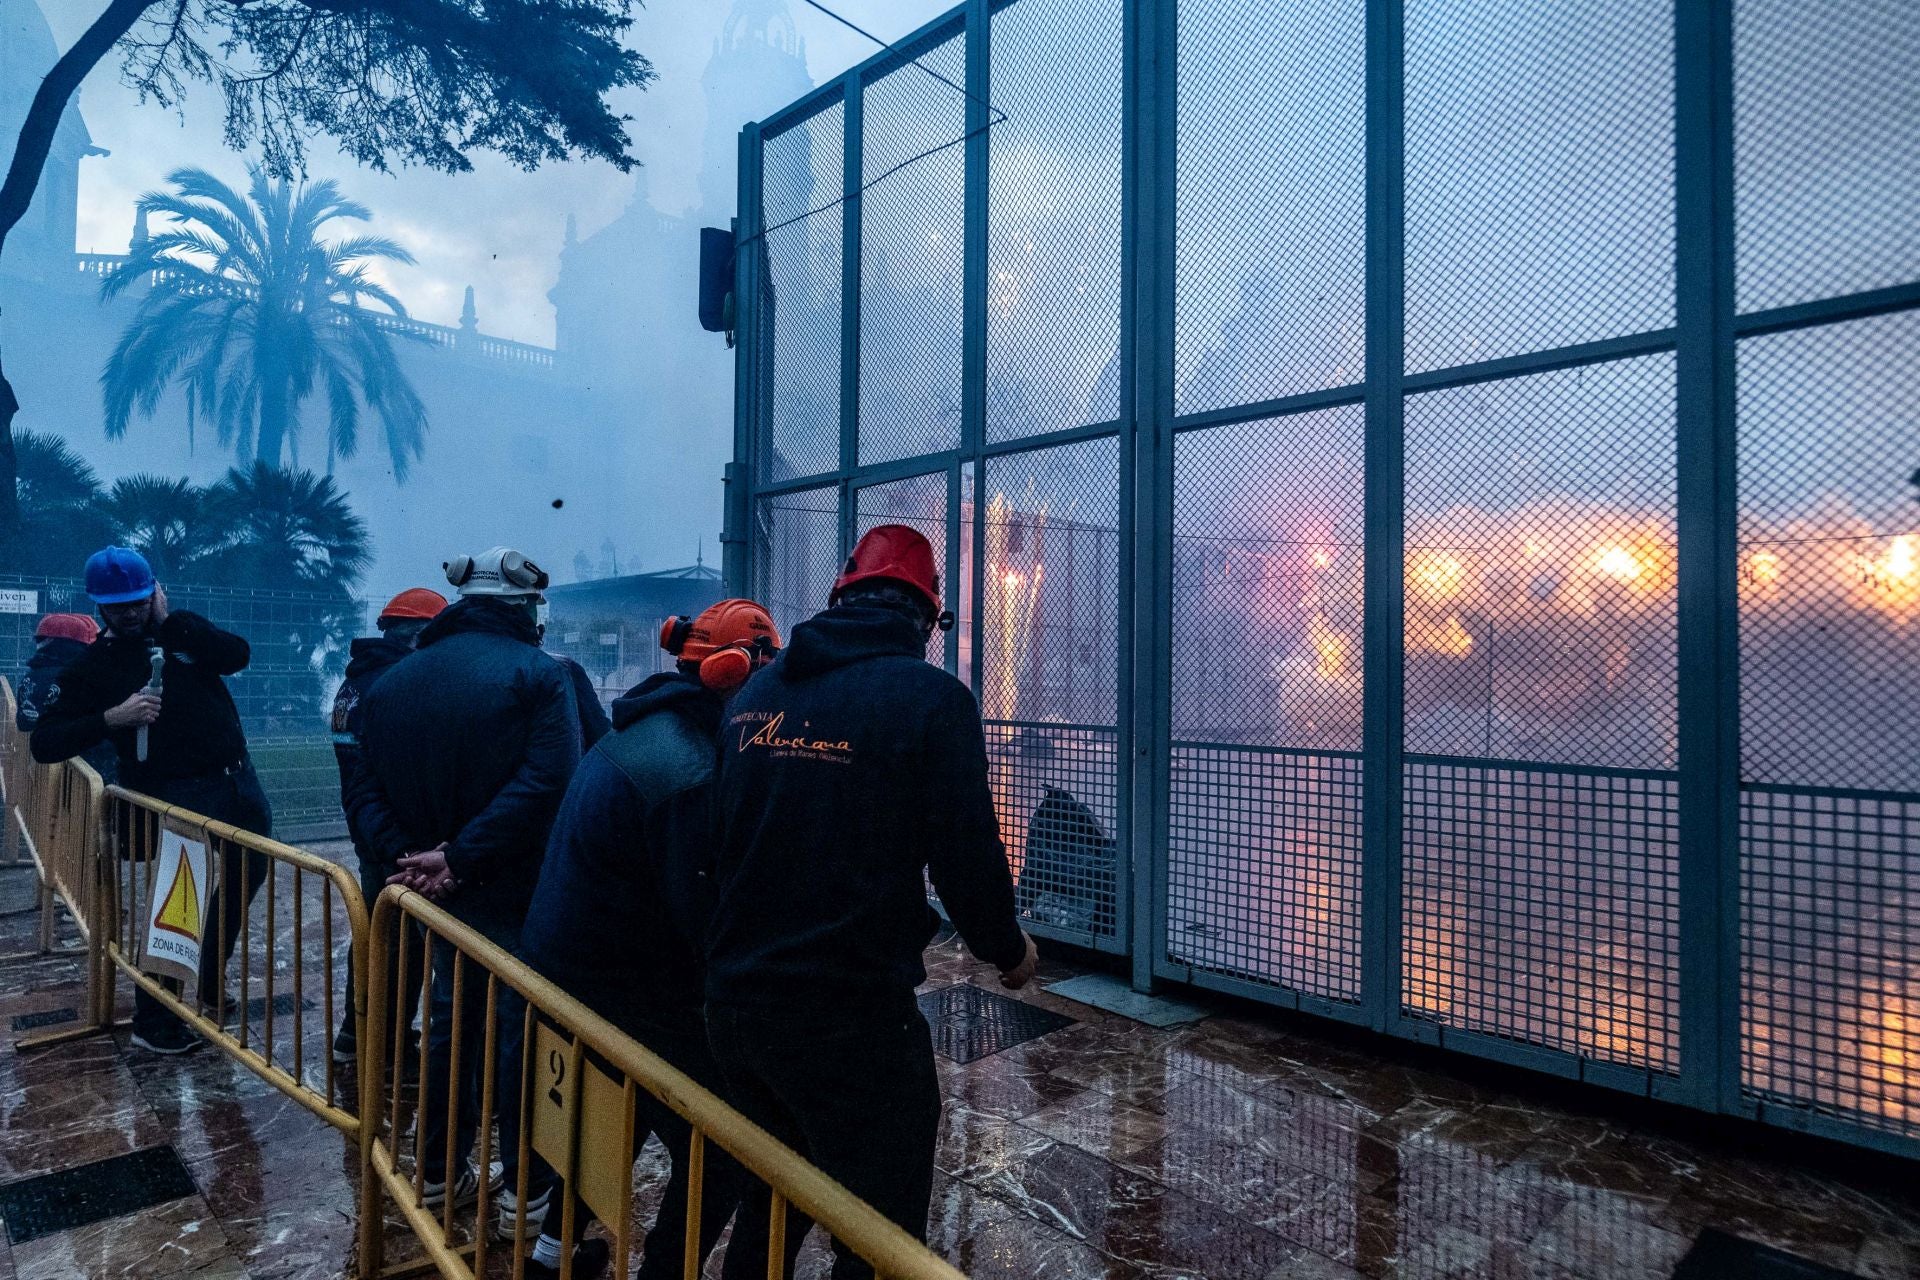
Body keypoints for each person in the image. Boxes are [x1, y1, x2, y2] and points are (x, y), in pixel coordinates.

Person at [706, 525, 1037, 1280]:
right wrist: (1008, 950)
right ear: (927, 619)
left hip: (736, 1008)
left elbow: (719, 843)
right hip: (847, 1016)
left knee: (772, 1191)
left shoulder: (757, 693)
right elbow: (966, 852)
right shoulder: (931, 699)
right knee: (880, 1222)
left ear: (839, 597)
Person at [516, 599, 781, 1280]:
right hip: (622, 988)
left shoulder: (645, 726)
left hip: (571, 976)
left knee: (613, 1123)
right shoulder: (687, 769)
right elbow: (701, 919)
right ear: (731, 672)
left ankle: (550, 1255)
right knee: (726, 1144)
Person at [344, 546, 580, 1213]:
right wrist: (462, 856)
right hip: (513, 889)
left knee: (448, 1025)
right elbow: (550, 778)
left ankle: (441, 1171)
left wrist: (410, 859)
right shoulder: (538, 674)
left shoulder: (390, 682)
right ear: (525, 607)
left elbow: (360, 784)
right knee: (518, 1032)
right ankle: (527, 1193)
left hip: (427, 894)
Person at [31, 547, 271, 1056]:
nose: (130, 612)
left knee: (244, 878)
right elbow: (45, 741)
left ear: (154, 592)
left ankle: (207, 981)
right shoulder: (92, 667)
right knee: (178, 904)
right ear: (99, 607)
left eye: (139, 601)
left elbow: (237, 655)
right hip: (175, 795)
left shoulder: (182, 634)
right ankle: (155, 1022)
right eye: (118, 606)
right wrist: (110, 719)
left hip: (238, 784)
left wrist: (173, 621)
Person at [327, 586, 447, 1066]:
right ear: (420, 637)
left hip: (373, 832)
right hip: (397, 839)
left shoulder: (357, 681)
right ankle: (380, 1046)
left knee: (382, 939)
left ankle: (361, 1038)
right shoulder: (395, 685)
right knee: (403, 947)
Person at [15, 613, 117, 783]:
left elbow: (25, 722)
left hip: (53, 775)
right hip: (82, 777)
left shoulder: (32, 676)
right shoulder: (72, 678)